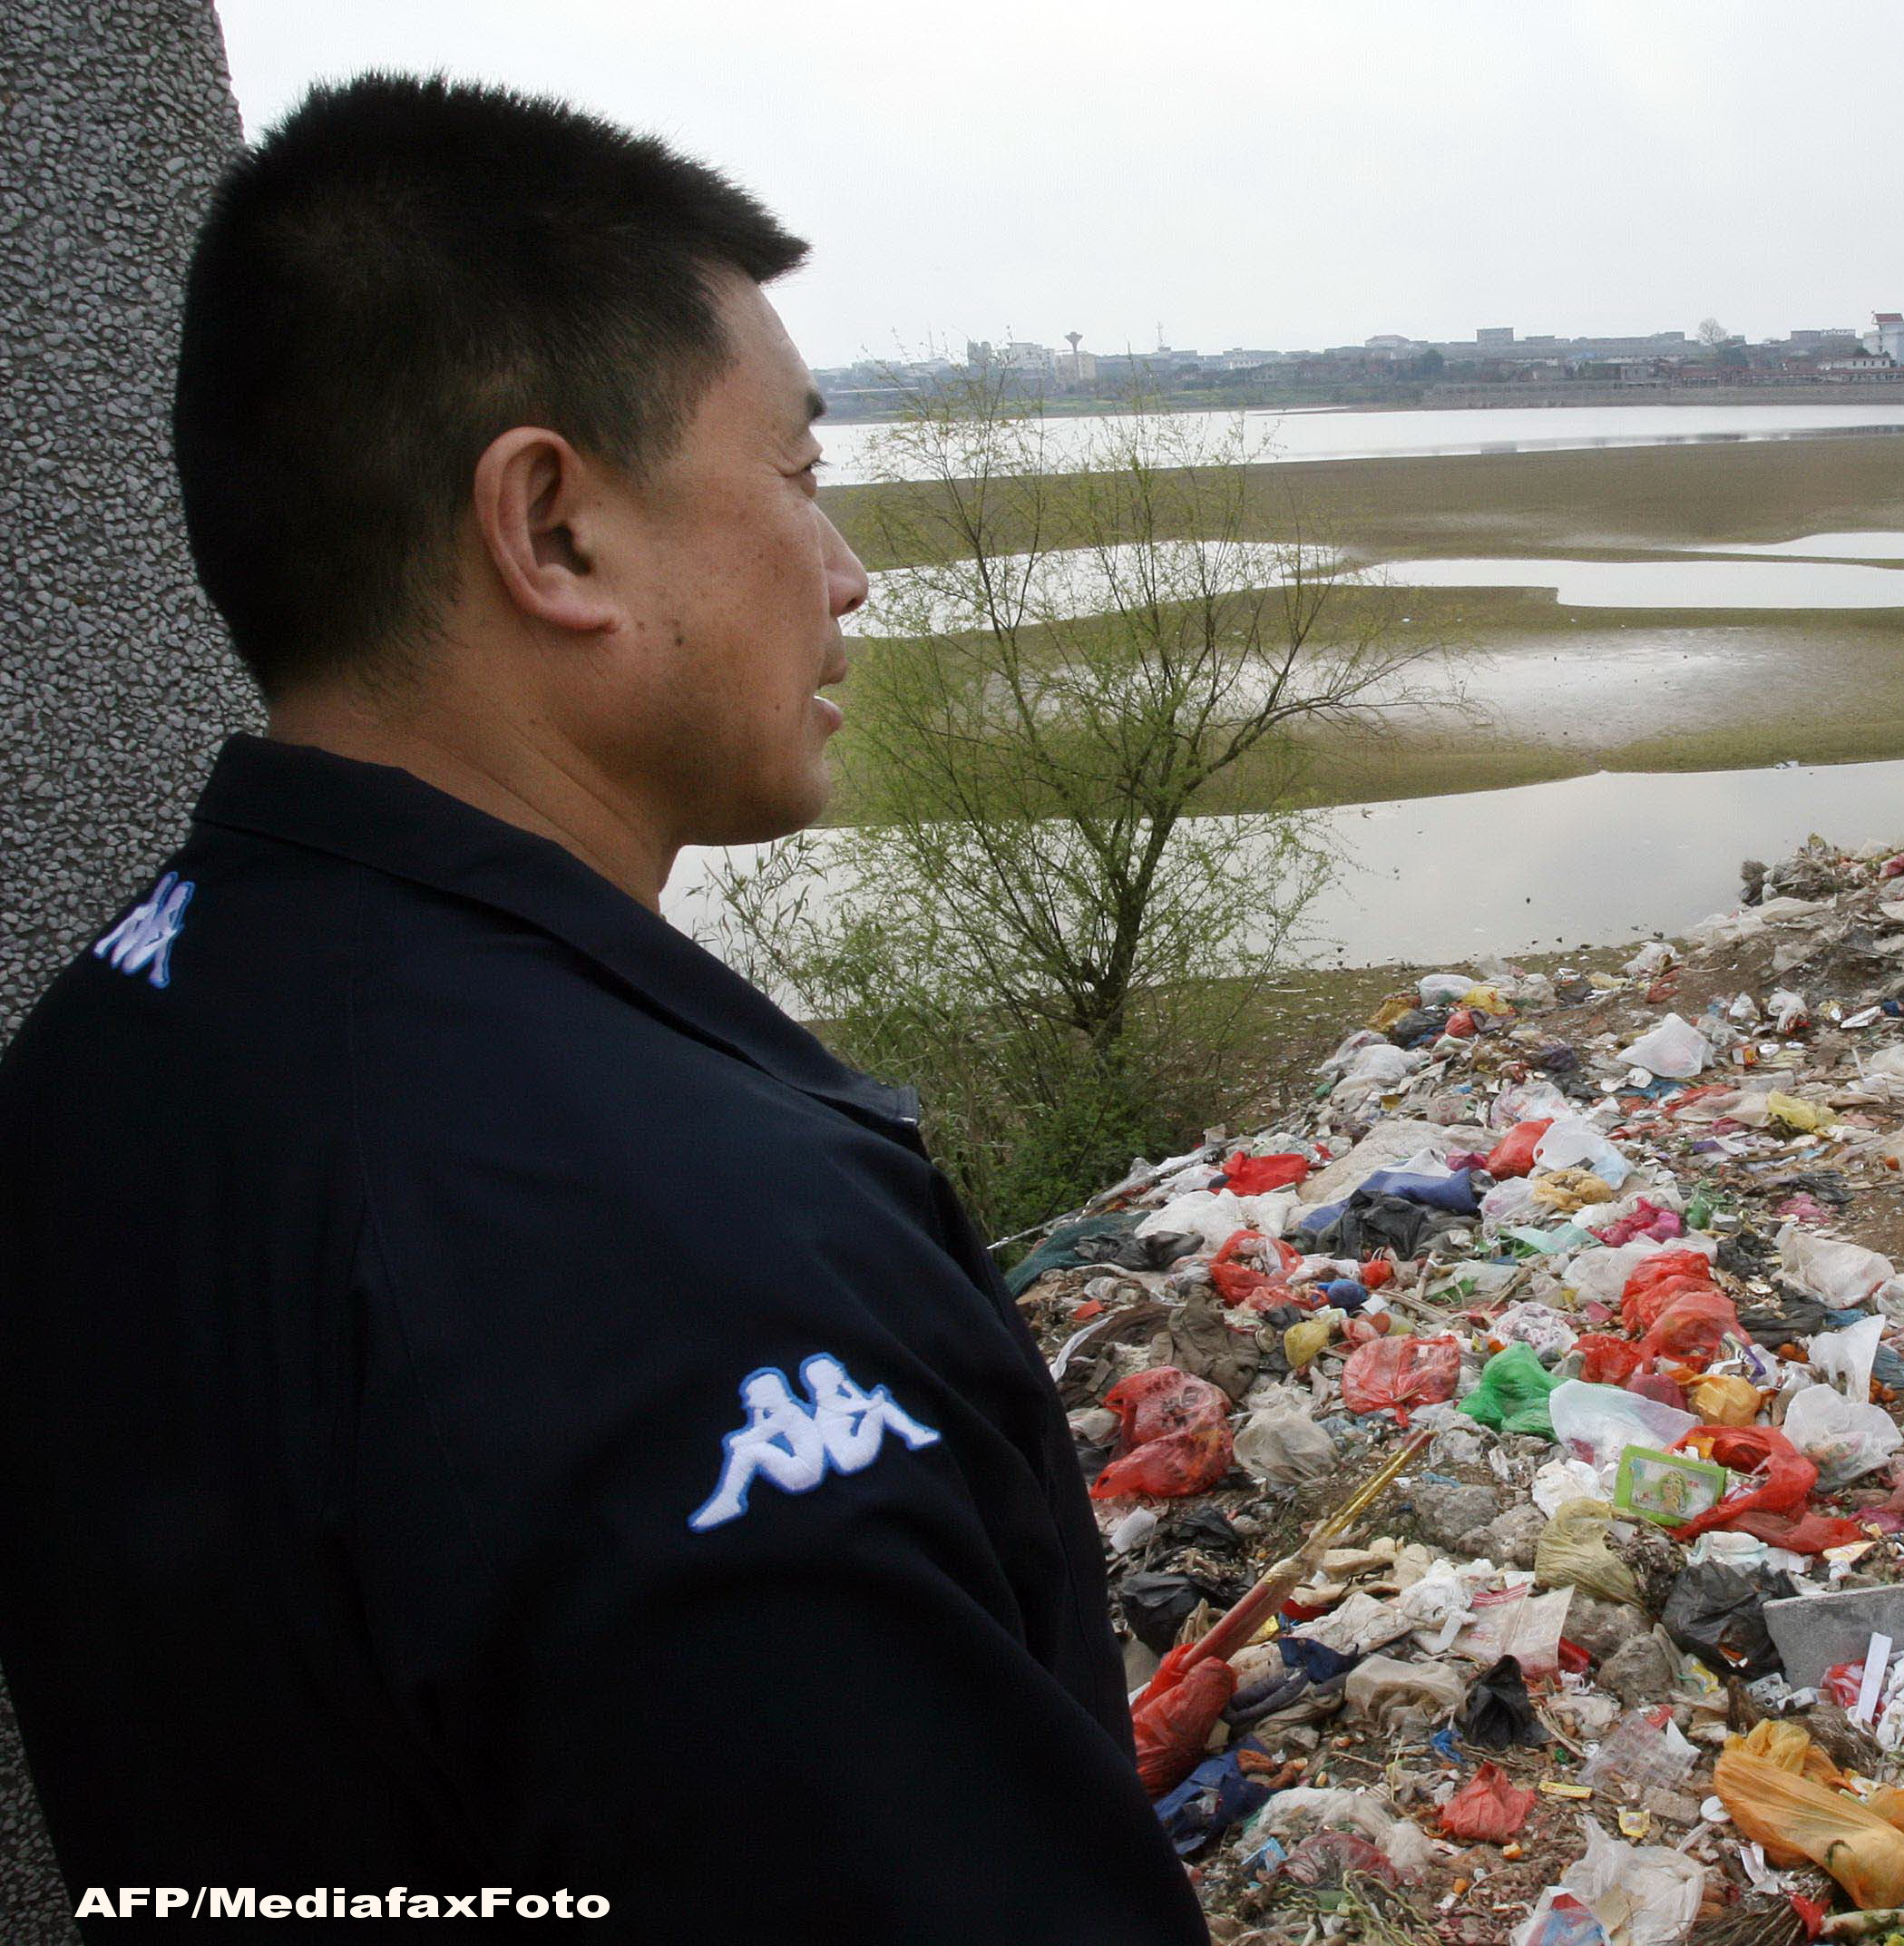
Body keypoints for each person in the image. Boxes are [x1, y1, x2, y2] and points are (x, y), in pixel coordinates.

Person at [0, 74, 1208, 1941]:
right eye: (796, 475)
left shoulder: (93, 1053)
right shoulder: (704, 1252)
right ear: (552, 529)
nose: (847, 567)